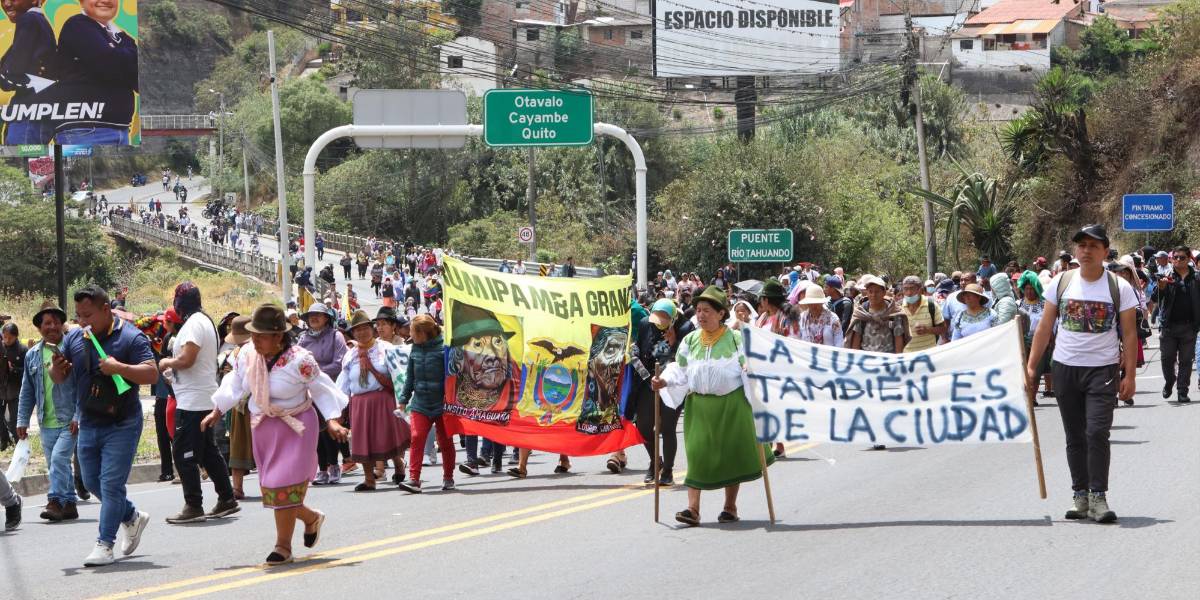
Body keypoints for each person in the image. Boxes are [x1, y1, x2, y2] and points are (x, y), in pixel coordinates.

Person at [205, 304, 349, 566]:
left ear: (278, 336)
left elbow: (321, 389)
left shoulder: (300, 360)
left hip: (296, 427)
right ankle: (310, 518)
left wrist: (333, 420)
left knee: (284, 484)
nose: (255, 340)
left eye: (261, 335)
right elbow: (234, 384)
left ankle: (282, 547)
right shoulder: (246, 355)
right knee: (274, 489)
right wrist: (217, 410)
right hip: (263, 427)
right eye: (253, 335)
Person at [1027, 224, 1138, 524]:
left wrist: (1130, 375)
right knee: (1075, 435)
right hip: (1065, 369)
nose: (1086, 250)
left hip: (1102, 370)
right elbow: (1044, 328)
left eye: (1093, 245)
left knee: (1097, 432)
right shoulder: (1061, 283)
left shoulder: (1120, 287)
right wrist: (1032, 367)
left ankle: (1099, 496)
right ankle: (1080, 496)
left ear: (1104, 251)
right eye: (1081, 245)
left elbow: (1129, 334)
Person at [52, 285, 157, 567]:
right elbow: (59, 376)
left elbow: (151, 372)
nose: (83, 321)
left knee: (111, 485)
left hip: (122, 423)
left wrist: (120, 368)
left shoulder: (131, 336)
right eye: (78, 315)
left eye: (88, 315)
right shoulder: (75, 336)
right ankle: (132, 516)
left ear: (106, 309)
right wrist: (56, 369)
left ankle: (104, 545)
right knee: (90, 482)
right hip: (87, 421)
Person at [652, 286, 773, 526]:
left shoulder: (737, 340)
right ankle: (692, 509)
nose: (701, 315)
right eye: (698, 310)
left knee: (729, 456)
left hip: (731, 405)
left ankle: (730, 507)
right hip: (699, 407)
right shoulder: (690, 340)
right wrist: (663, 379)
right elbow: (681, 368)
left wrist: (750, 369)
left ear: (720, 314)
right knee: (697, 456)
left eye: (707, 310)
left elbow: (750, 365)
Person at [158, 283, 239, 524]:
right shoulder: (203, 320)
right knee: (207, 452)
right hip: (200, 395)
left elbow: (188, 358)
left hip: (193, 400)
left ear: (180, 303)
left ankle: (193, 505)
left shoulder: (193, 323)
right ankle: (226, 498)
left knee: (183, 452)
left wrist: (166, 363)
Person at [607, 299, 694, 485]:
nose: (658, 323)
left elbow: (687, 359)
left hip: (672, 383)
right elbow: (640, 347)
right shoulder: (646, 323)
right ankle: (656, 461)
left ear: (673, 318)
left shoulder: (686, 328)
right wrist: (634, 351)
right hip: (648, 382)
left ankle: (668, 471)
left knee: (668, 427)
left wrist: (673, 343)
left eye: (664, 320)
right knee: (644, 427)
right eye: (656, 318)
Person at [16, 301, 79, 522]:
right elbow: (27, 390)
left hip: (68, 418)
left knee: (60, 460)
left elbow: (82, 384)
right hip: (46, 421)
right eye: (46, 323)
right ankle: (70, 503)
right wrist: (22, 419)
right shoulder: (32, 355)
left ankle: (55, 501)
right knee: (57, 462)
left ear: (62, 324)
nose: (51, 327)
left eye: (55, 322)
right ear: (39, 327)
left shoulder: (72, 350)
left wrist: (78, 415)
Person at [52, 0, 139, 145]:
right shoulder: (77, 25)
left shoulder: (120, 36)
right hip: (85, 130)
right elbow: (108, 65)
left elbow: (138, 80)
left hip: (121, 130)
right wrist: (123, 56)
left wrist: (117, 53)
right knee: (81, 169)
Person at [339, 311, 408, 491]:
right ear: (353, 334)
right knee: (363, 441)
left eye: (365, 328)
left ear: (372, 329)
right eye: (357, 330)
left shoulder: (385, 348)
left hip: (382, 399)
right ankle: (369, 479)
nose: (362, 333)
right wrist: (338, 407)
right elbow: (344, 383)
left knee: (386, 436)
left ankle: (398, 464)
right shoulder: (349, 356)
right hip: (359, 403)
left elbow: (399, 373)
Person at [397, 315, 455, 493]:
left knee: (445, 441)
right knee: (416, 437)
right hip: (420, 403)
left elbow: (453, 376)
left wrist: (452, 401)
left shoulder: (445, 348)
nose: (410, 335)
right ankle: (414, 479)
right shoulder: (414, 348)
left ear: (423, 333)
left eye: (413, 332)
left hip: (442, 404)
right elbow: (410, 377)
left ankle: (448, 477)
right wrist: (403, 400)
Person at [298, 303, 350, 485]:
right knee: (315, 430)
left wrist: (315, 372)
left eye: (318, 315)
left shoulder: (336, 336)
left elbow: (339, 363)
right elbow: (297, 362)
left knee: (330, 428)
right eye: (311, 315)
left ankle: (334, 464)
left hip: (329, 389)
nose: (314, 318)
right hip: (309, 391)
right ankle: (321, 468)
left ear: (326, 318)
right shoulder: (303, 339)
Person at [0, 0, 56, 144]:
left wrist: (6, 73)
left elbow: (11, 74)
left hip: (28, 112)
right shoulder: (40, 22)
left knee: (19, 162)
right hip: (37, 112)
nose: (6, 4)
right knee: (29, 162)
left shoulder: (29, 19)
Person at [1151, 246, 1199, 403]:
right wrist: (1161, 287)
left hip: (1189, 326)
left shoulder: (1196, 278)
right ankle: (1170, 381)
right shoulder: (1165, 277)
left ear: (1189, 259)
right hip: (1169, 326)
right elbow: (1154, 298)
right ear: (1171, 259)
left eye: (1182, 257)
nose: (1178, 260)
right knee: (1167, 358)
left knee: (1186, 360)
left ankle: (1182, 391)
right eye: (1175, 257)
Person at [220, 316, 254, 499]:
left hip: (241, 402)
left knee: (238, 445)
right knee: (260, 445)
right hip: (249, 402)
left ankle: (238, 487)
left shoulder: (238, 352)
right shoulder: (241, 351)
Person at [1016, 271, 1053, 403]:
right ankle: (1024, 397)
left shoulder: (1045, 305)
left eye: (1032, 289)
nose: (1029, 292)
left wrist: (1050, 341)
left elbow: (1050, 324)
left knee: (1036, 373)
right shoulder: (1018, 304)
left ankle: (1032, 398)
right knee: (1022, 371)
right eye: (1027, 289)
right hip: (1021, 342)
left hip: (1040, 342)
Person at [899, 275, 944, 352]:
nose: (909, 293)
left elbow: (943, 329)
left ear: (920, 290)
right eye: (906, 289)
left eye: (912, 289)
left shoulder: (932, 305)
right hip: (907, 356)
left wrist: (927, 330)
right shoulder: (898, 307)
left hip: (929, 355)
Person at [0, 322, 25, 450]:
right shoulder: (1, 348)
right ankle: (4, 441)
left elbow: (26, 372)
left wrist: (14, 369)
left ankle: (19, 445)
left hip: (16, 391)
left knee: (14, 421)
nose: (7, 340)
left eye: (10, 337)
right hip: (1, 389)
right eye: (5, 337)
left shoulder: (22, 350)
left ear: (16, 336)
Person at [795, 282, 844, 347]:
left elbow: (839, 343)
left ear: (822, 302)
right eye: (810, 303)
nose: (813, 306)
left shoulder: (833, 319)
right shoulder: (802, 318)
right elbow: (797, 340)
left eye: (817, 303)